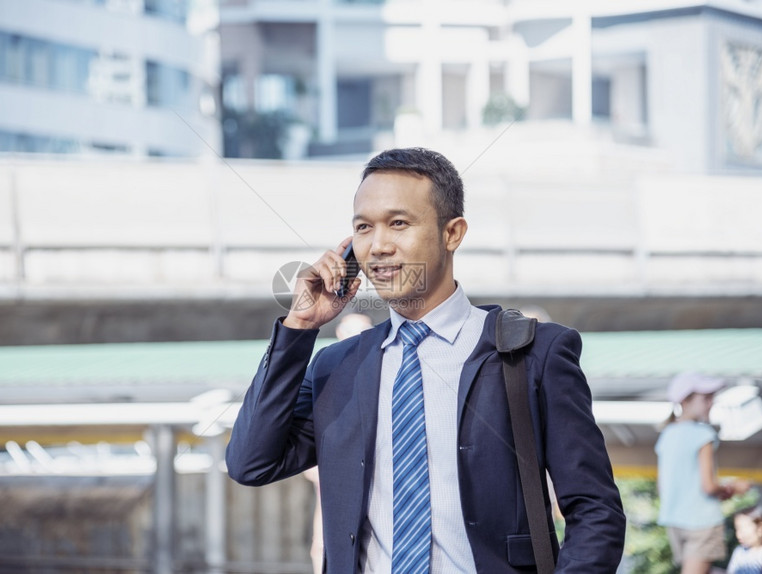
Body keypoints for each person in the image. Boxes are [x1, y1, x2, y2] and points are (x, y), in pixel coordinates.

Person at [226, 147, 626, 573]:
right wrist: (300, 327)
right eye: (363, 227)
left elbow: (596, 511)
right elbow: (251, 462)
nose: (378, 245)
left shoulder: (533, 354)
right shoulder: (338, 367)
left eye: (398, 223)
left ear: (452, 233)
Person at [655, 372, 751, 574]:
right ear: (685, 400)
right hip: (702, 522)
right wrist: (734, 487)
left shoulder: (667, 435)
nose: (711, 403)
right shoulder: (703, 434)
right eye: (706, 398)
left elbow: (662, 486)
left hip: (674, 521)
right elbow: (708, 486)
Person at [304, 312, 374, 574]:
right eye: (351, 330)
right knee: (325, 541)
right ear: (339, 333)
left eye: (363, 329)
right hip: (333, 482)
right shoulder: (325, 369)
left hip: (372, 478)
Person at [727, 505, 762, 574]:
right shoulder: (739, 552)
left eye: (743, 529)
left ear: (761, 528)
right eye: (737, 529)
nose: (738, 535)